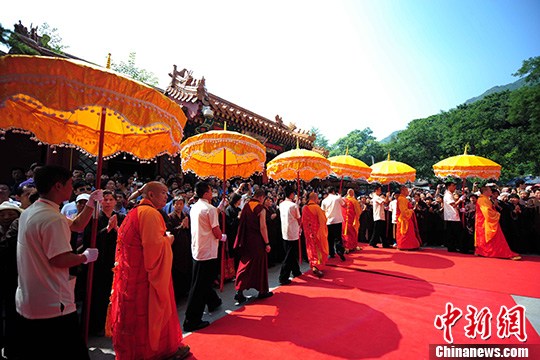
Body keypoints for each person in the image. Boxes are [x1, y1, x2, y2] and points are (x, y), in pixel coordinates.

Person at [15, 165, 101, 360]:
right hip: (53, 303)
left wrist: (90, 205)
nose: (72, 188)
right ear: (58, 186)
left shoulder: (33, 211)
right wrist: (84, 257)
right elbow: (60, 259)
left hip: (31, 298)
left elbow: (77, 225)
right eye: (70, 184)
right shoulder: (52, 219)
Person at [109, 181, 190, 360]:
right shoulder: (150, 214)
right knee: (149, 316)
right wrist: (168, 239)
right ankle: (156, 351)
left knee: (136, 319)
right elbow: (154, 251)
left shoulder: (135, 212)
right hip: (146, 278)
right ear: (150, 195)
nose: (166, 196)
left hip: (133, 275)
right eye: (163, 192)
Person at [183, 181, 226, 332]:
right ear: (206, 193)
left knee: (204, 280)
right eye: (210, 190)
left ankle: (213, 301)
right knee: (199, 286)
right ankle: (191, 319)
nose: (212, 192)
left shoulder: (195, 207)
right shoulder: (209, 209)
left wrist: (219, 208)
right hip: (207, 250)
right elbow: (215, 230)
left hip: (198, 248)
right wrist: (223, 237)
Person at [84, 190, 125, 336]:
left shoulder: (121, 217)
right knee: (99, 294)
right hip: (99, 262)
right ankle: (97, 325)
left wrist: (117, 229)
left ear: (115, 201)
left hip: (116, 259)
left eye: (110, 199)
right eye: (105, 199)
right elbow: (89, 239)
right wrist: (107, 229)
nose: (107, 202)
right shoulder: (94, 218)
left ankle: (115, 322)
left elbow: (128, 238)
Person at [234, 188, 273, 303]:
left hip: (246, 240)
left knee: (245, 264)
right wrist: (267, 243)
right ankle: (262, 291)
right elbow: (263, 227)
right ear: (261, 197)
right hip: (257, 240)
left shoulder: (246, 206)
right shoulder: (260, 208)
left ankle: (239, 291)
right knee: (260, 264)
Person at [0, 202, 23, 359]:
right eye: (2, 214)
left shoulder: (22, 232)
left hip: (15, 279)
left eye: (11, 214)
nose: (6, 217)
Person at [475, 186, 521, 260]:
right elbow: (487, 212)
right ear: (485, 191)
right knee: (493, 237)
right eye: (490, 190)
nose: (491, 192)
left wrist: (494, 206)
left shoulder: (485, 199)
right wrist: (497, 214)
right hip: (486, 222)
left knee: (488, 238)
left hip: (485, 221)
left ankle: (484, 251)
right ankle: (489, 252)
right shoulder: (482, 199)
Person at [167, 196, 192, 299]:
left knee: (187, 268)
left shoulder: (186, 215)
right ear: (173, 205)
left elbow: (189, 230)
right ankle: (178, 293)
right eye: (176, 204)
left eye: (181, 204)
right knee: (177, 270)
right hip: (176, 247)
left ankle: (186, 291)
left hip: (186, 245)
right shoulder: (170, 217)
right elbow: (170, 231)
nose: (178, 206)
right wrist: (181, 226)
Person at [278, 186, 302, 285]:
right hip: (292, 231)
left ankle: (296, 271)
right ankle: (283, 277)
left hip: (284, 230)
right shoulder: (293, 206)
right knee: (289, 254)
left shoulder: (281, 204)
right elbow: (298, 218)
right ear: (291, 194)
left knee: (290, 253)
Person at [302, 192, 329, 278]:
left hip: (308, 233)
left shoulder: (305, 208)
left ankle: (313, 264)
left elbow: (303, 222)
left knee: (311, 249)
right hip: (317, 233)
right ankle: (317, 266)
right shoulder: (316, 208)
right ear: (314, 198)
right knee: (318, 250)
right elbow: (323, 221)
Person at [321, 186, 346, 260]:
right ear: (333, 191)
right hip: (337, 220)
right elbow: (344, 205)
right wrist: (340, 197)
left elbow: (323, 211)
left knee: (330, 238)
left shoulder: (324, 200)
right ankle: (339, 250)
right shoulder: (337, 198)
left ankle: (331, 252)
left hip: (329, 221)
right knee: (338, 238)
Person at [395, 186, 422, 250]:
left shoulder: (403, 198)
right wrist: (411, 211)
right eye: (406, 190)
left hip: (406, 218)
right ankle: (405, 246)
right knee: (406, 233)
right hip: (404, 219)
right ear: (402, 191)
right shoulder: (402, 199)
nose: (408, 192)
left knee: (409, 233)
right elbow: (404, 211)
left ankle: (409, 245)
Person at [443, 181, 465, 252]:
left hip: (452, 216)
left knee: (452, 233)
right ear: (448, 186)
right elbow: (454, 205)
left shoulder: (450, 194)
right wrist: (460, 199)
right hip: (451, 217)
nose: (454, 187)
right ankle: (455, 247)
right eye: (453, 185)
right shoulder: (448, 195)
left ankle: (453, 247)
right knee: (455, 233)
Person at [342, 188, 362, 253]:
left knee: (345, 232)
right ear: (352, 193)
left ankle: (346, 246)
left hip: (344, 220)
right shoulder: (354, 201)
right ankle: (351, 246)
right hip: (351, 219)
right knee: (352, 232)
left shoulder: (343, 200)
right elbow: (358, 212)